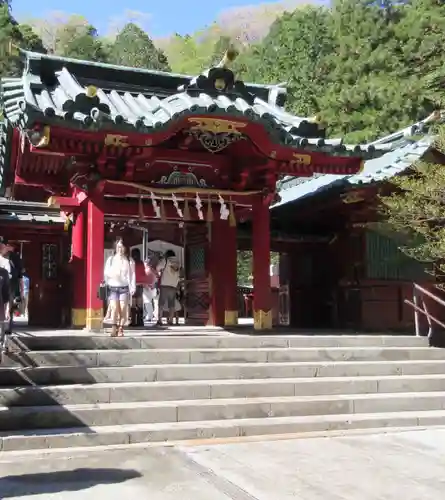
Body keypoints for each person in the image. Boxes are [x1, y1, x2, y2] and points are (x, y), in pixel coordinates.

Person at [103, 239, 135, 337]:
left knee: (123, 308)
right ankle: (113, 327)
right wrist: (111, 276)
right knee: (114, 308)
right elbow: (105, 273)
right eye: (118, 247)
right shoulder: (111, 260)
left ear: (125, 248)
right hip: (113, 287)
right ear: (115, 248)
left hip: (124, 288)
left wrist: (132, 287)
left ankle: (120, 328)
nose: (120, 249)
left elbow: (132, 275)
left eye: (122, 247)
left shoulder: (129, 260)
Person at [156, 249, 180, 326]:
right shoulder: (178, 263)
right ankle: (171, 320)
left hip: (165, 284)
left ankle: (160, 320)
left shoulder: (165, 260)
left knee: (161, 303)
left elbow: (158, 267)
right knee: (171, 303)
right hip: (173, 285)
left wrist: (160, 271)